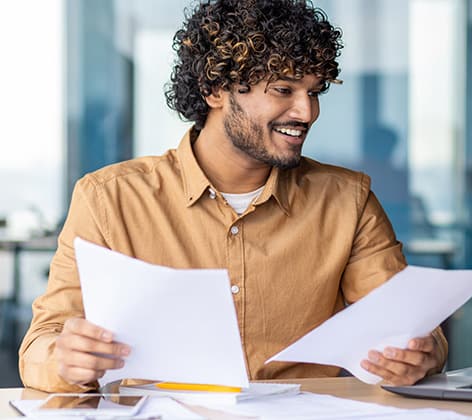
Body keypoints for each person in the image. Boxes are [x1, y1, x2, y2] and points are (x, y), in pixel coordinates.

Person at [19, 0, 447, 392]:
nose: (307, 112)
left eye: (314, 92)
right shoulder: (109, 199)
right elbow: (41, 343)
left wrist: (420, 355)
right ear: (215, 91)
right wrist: (65, 358)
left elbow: (409, 329)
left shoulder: (347, 201)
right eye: (284, 90)